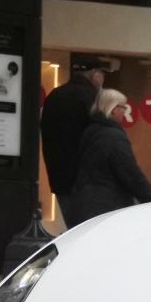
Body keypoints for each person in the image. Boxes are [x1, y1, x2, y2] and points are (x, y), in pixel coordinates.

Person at [70, 89, 151, 225]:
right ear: (113, 109)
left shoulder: (91, 130)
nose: (125, 111)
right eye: (123, 107)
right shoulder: (114, 137)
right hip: (106, 206)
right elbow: (131, 175)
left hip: (86, 202)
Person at [41, 53, 109, 227]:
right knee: (93, 233)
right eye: (102, 74)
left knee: (76, 232)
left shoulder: (54, 96)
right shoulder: (95, 98)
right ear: (94, 74)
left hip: (60, 181)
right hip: (89, 184)